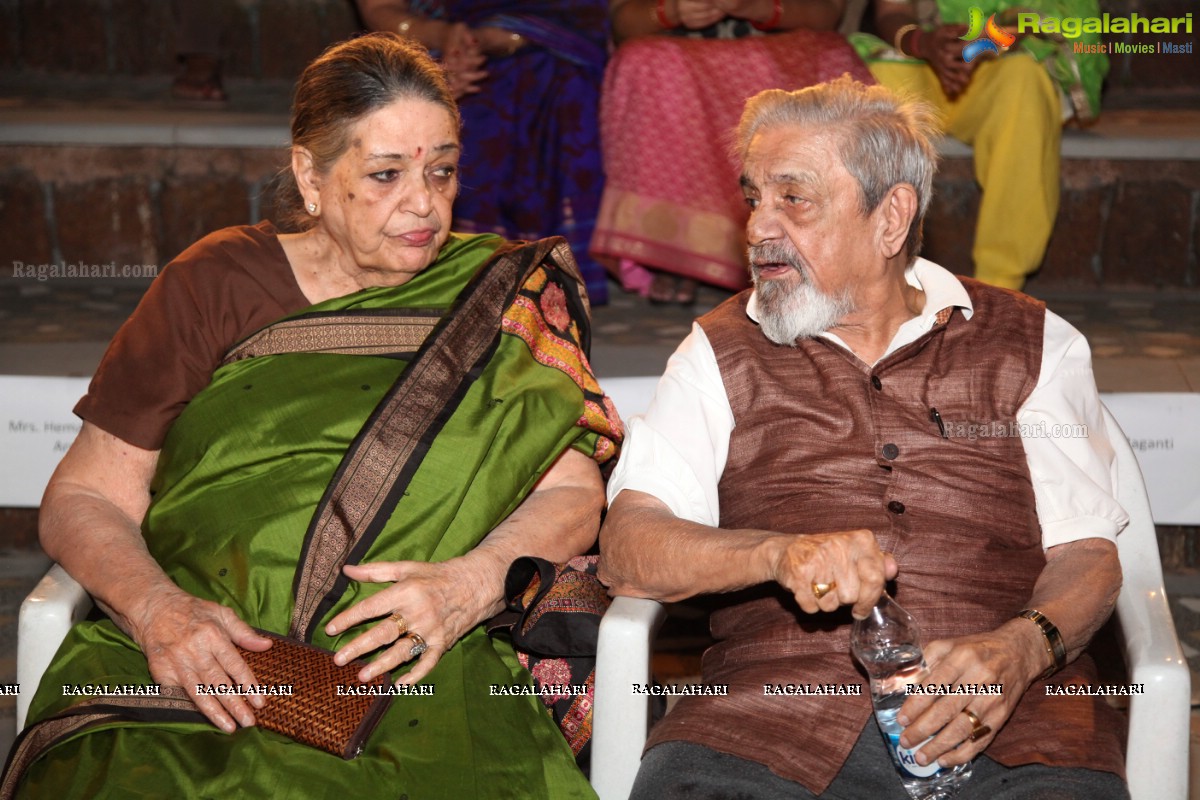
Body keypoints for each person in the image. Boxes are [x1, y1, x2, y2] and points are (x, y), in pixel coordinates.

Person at [4, 33, 621, 799]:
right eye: (386, 175)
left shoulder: (496, 301)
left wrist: (467, 586)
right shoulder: (216, 284)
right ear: (311, 175)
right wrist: (159, 612)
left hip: (420, 654)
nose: (424, 203)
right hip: (206, 652)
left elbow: (572, 494)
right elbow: (85, 496)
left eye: (443, 171)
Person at [599, 77, 1129, 799]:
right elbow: (630, 548)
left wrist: (1020, 647)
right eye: (754, 196)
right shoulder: (718, 350)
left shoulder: (1033, 343)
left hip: (1011, 725)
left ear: (891, 218)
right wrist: (776, 553)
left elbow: (1091, 555)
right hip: (764, 727)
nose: (758, 226)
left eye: (794, 198)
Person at [590, 0, 872, 306]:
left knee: (829, 58)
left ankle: (806, 249)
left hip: (779, 44)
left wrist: (764, 9)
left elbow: (827, 13)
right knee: (643, 61)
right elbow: (623, 24)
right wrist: (671, 12)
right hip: (676, 53)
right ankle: (673, 253)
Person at [356, 0, 612, 305]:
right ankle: (451, 270)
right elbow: (382, 9)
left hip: (557, 53)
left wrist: (517, 36)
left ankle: (532, 275)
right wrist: (444, 42)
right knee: (415, 99)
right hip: (429, 51)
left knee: (559, 86)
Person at [851, 0, 1109, 291]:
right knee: (871, 82)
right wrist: (922, 42)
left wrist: (985, 42)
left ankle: (999, 286)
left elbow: (1061, 14)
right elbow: (893, 11)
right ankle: (865, 281)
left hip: (1002, 65)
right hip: (926, 62)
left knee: (1024, 81)